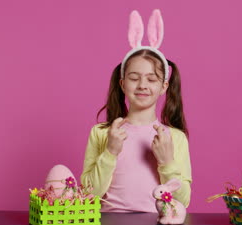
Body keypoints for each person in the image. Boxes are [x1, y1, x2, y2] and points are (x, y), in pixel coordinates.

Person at [80, 9, 192, 213]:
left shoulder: (174, 138)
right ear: (123, 84)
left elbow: (183, 201)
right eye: (134, 78)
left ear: (164, 87)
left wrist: (167, 162)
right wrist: (110, 151)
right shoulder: (102, 133)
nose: (142, 85)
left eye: (151, 79)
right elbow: (88, 195)